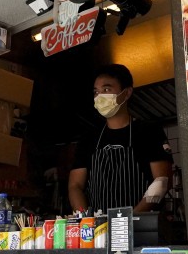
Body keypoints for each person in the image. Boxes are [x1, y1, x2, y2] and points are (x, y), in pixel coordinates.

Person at [69, 64, 172, 214]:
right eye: (96, 92)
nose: (99, 97)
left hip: (140, 226)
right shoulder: (89, 139)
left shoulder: (148, 131)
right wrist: (85, 219)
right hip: (98, 230)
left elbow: (162, 181)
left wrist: (130, 219)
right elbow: (75, 186)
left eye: (106, 90)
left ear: (127, 93)